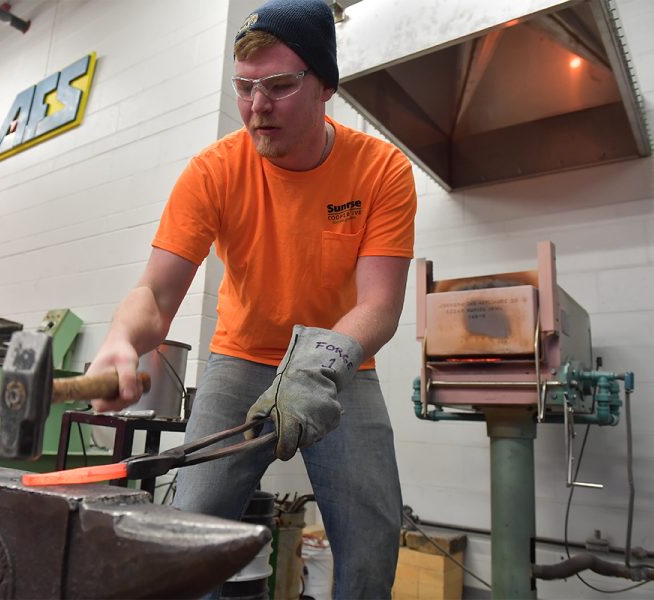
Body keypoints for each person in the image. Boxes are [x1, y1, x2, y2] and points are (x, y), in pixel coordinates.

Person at [86, 0, 417, 596]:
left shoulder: (381, 170)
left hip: (340, 364)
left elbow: (380, 306)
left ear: (326, 88)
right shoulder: (214, 172)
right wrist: (120, 340)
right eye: (244, 87)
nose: (257, 106)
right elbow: (155, 295)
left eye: (280, 85)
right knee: (189, 540)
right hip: (239, 360)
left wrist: (320, 365)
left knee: (373, 545)